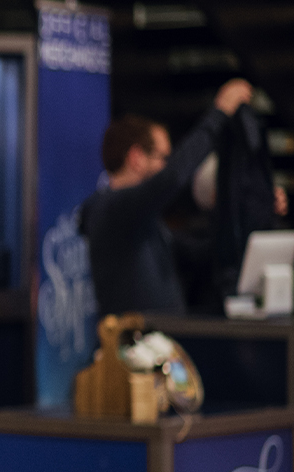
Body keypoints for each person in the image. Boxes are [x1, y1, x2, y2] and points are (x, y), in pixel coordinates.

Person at [81, 78, 254, 315]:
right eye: (163, 157)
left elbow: (199, 254)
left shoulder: (144, 221)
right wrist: (220, 112)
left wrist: (253, 213)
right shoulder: (110, 208)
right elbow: (173, 177)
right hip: (132, 347)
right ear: (136, 157)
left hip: (161, 345)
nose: (167, 165)